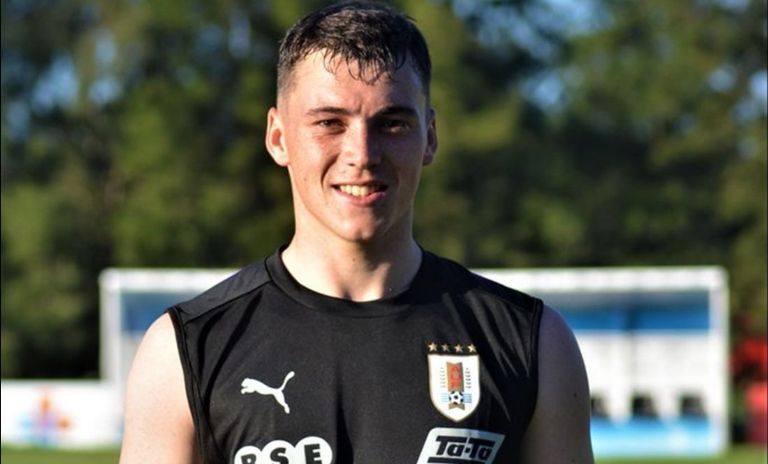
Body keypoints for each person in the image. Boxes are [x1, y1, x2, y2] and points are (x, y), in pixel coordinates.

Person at [119, 2, 594, 463]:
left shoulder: (532, 343)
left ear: (429, 137)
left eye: (392, 124)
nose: (362, 154)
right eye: (330, 123)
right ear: (278, 137)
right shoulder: (185, 350)